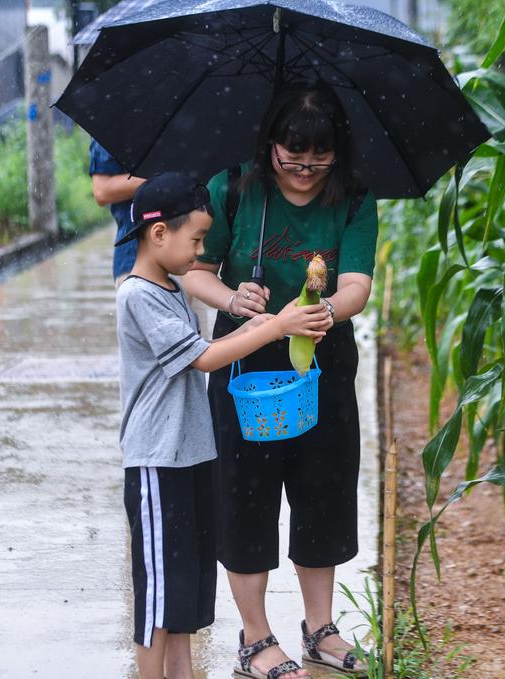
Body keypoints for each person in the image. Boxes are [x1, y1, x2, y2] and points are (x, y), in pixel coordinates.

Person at [182, 82, 378, 679]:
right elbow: (195, 271)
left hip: (322, 352)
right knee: (246, 495)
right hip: (245, 354)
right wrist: (234, 297)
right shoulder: (234, 188)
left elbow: (357, 284)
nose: (305, 170)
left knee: (323, 489)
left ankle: (320, 628)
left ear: (337, 153)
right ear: (269, 146)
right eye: (291, 159)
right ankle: (256, 637)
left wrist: (323, 312)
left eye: (319, 160)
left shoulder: (353, 197)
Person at [115, 171, 329, 679]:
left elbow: (206, 348)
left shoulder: (169, 288)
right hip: (157, 461)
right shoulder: (138, 295)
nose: (201, 251)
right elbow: (205, 359)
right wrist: (276, 326)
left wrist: (255, 319)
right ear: (159, 233)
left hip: (189, 455)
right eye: (196, 240)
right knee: (160, 589)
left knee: (187, 582)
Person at [89, 139, 146, 284]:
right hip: (135, 258)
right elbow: (102, 191)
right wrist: (160, 176)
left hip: (184, 258)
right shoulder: (113, 124)